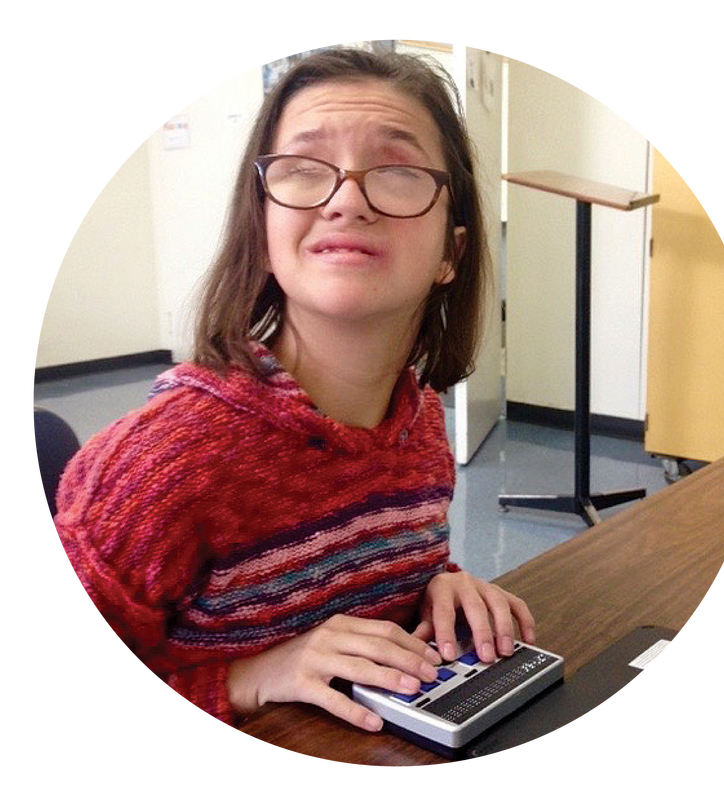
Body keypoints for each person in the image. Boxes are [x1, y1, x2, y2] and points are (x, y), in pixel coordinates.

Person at [53, 46, 536, 736]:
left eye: (396, 171)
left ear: (451, 255)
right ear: (265, 228)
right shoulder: (163, 464)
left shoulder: (417, 420)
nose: (346, 199)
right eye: (306, 170)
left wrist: (437, 586)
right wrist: (247, 681)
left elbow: (369, 566)